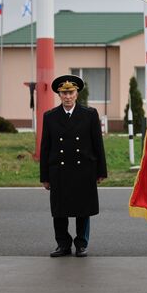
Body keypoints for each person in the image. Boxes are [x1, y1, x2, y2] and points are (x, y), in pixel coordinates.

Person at [40, 75, 107, 257]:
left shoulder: (89, 115)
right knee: (59, 211)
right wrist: (44, 177)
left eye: (71, 92)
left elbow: (97, 144)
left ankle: (81, 243)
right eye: (64, 93)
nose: (67, 96)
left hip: (84, 170)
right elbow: (45, 147)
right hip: (59, 171)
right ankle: (63, 244)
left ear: (77, 94)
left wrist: (101, 171)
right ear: (59, 95)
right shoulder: (50, 116)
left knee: (82, 209)